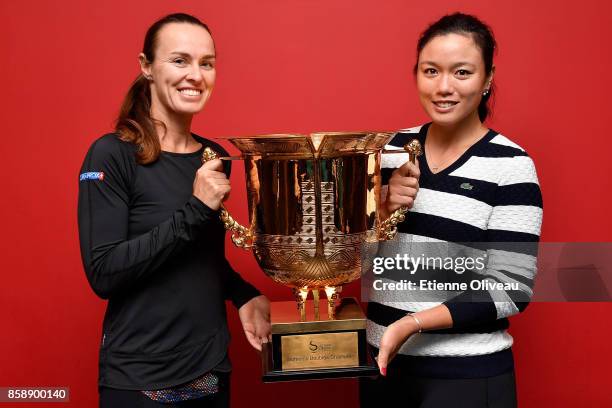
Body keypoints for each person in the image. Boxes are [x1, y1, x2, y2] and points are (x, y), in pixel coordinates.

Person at [77, 13, 271, 407]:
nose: (196, 75)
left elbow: (199, 258)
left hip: (209, 372)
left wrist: (242, 293)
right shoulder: (112, 154)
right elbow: (104, 272)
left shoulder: (212, 157)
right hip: (141, 381)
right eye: (179, 61)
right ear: (146, 67)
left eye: (207, 63)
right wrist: (195, 208)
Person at [361, 13, 543, 408]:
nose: (444, 87)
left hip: (465, 378)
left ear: (487, 79)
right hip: (381, 368)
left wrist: (412, 324)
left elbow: (512, 288)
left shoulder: (511, 164)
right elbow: (361, 264)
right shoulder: (390, 150)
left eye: (462, 72)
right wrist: (385, 210)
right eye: (431, 71)